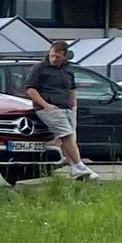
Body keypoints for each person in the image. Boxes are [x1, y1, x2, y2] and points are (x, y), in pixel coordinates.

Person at [24, 36, 94, 180]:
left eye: (58, 57)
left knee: (69, 139)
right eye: (52, 55)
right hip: (49, 107)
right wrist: (45, 105)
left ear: (64, 56)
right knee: (66, 135)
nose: (54, 59)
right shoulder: (39, 68)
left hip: (67, 108)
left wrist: (74, 105)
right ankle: (80, 165)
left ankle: (74, 169)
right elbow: (30, 89)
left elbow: (72, 88)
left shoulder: (68, 69)